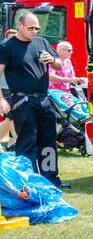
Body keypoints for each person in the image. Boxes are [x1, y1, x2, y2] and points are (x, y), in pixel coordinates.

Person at [0, 11, 63, 187]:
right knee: (27, 141)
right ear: (20, 26)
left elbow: (58, 65)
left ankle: (50, 180)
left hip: (44, 99)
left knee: (48, 140)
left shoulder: (42, 42)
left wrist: (52, 59)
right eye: (31, 28)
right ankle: (27, 181)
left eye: (37, 28)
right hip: (22, 100)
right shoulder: (7, 46)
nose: (34, 31)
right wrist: (1, 100)